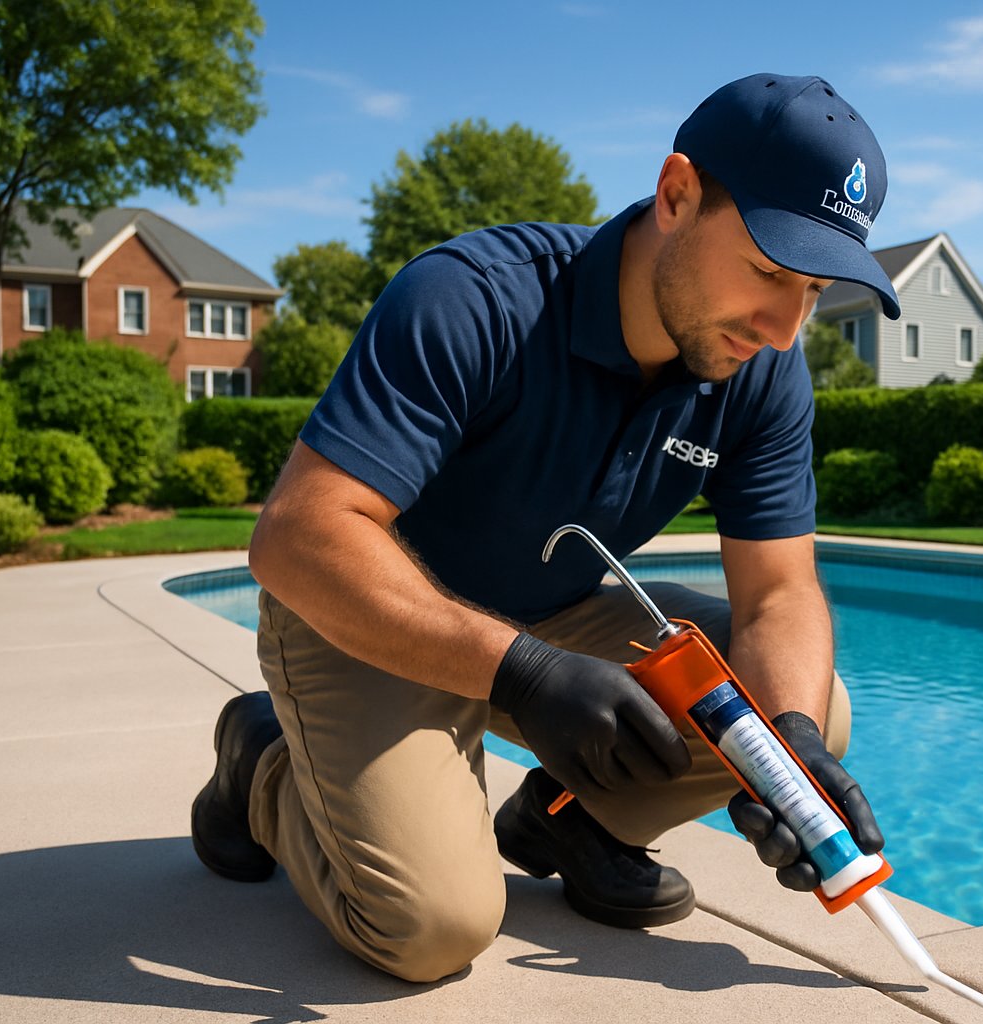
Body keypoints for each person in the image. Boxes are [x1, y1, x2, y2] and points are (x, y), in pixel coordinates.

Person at [191, 72, 903, 984]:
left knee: (807, 704)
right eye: (769, 271)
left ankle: (571, 823)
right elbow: (297, 535)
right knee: (433, 929)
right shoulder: (475, 299)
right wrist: (521, 672)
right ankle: (261, 769)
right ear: (677, 194)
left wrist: (790, 740)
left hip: (555, 621)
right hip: (367, 619)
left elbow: (780, 592)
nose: (781, 326)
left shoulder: (761, 371)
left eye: (813, 288)